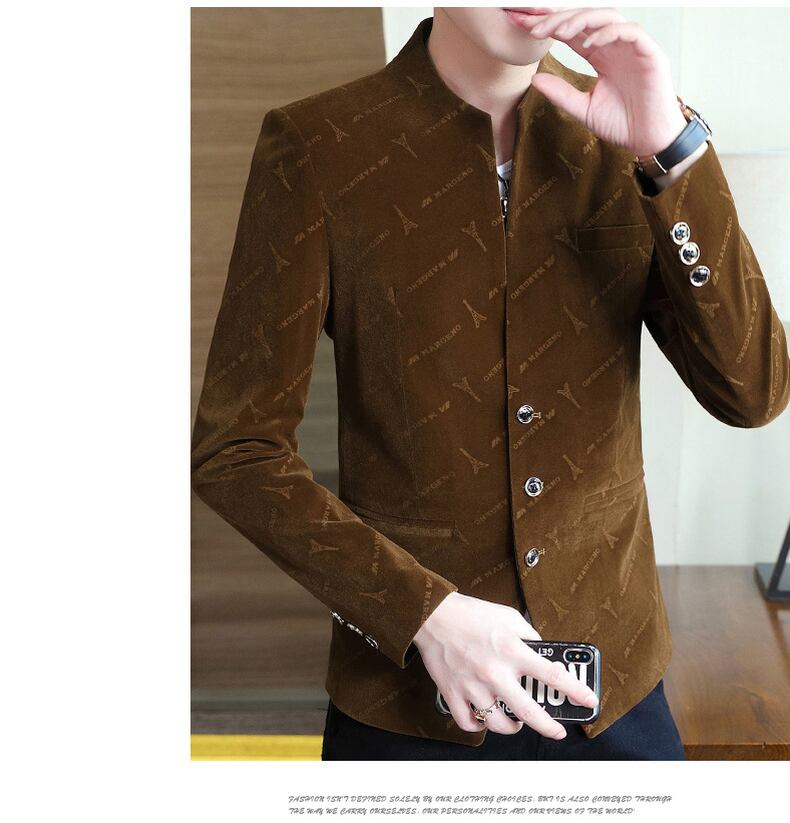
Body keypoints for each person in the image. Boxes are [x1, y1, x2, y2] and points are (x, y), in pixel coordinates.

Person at [191, 6, 790, 760]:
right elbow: (237, 453)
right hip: (408, 708)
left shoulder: (642, 135)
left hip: (617, 701)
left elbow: (752, 391)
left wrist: (670, 152)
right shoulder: (318, 146)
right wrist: (423, 613)